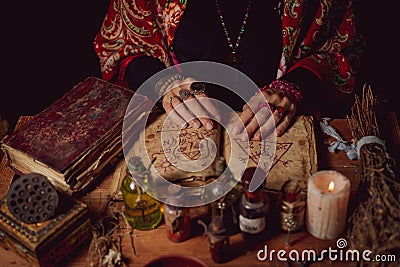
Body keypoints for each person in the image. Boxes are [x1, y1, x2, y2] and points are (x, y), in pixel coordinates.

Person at [94, 0, 364, 139]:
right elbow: (125, 48)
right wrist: (164, 84)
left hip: (279, 133)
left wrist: (294, 87)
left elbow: (339, 50)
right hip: (184, 132)